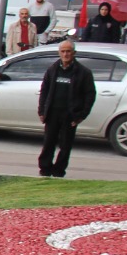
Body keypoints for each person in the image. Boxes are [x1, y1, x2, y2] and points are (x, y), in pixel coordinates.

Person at [37, 40, 96, 178]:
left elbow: (90, 95)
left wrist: (81, 115)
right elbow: (44, 90)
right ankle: (45, 169)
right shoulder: (53, 69)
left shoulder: (83, 72)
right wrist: (41, 111)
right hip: (52, 113)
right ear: (59, 53)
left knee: (65, 145)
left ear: (74, 53)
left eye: (68, 51)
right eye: (63, 51)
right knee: (48, 142)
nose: (65, 54)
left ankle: (59, 171)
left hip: (70, 115)